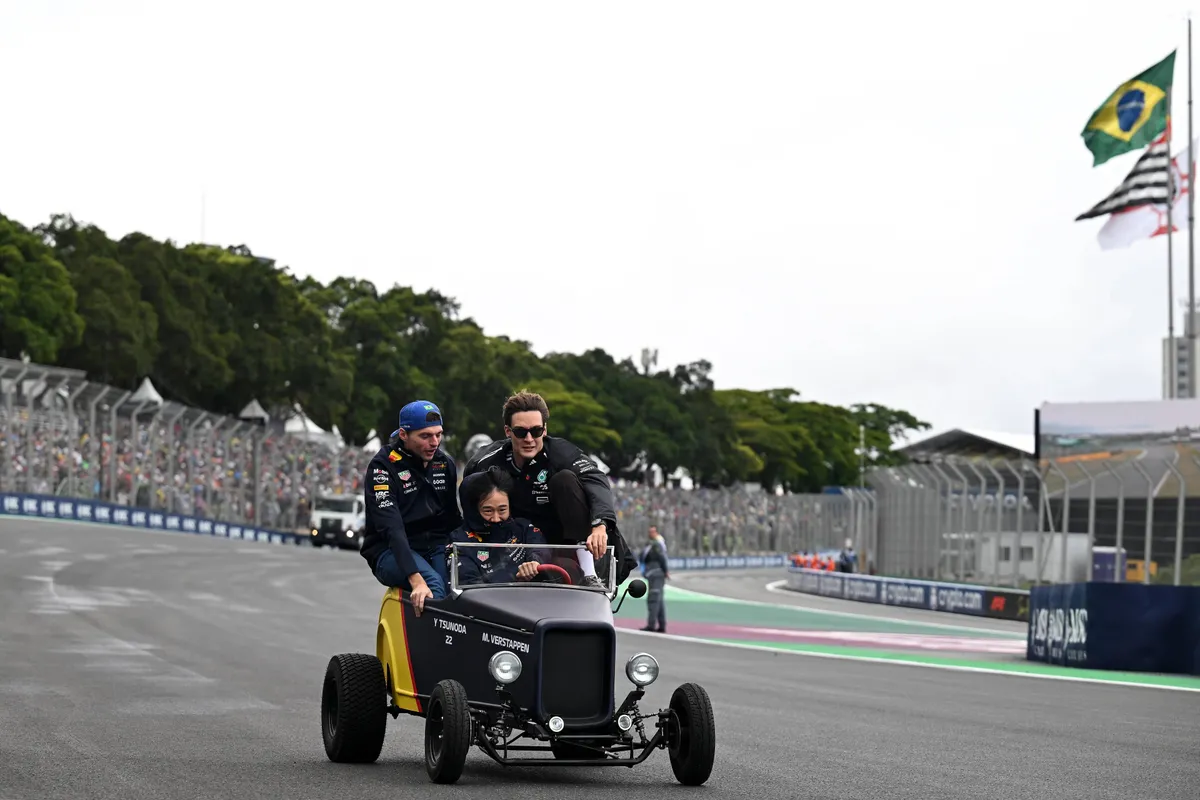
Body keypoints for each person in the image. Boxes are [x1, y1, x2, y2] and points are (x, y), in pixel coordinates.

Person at [463, 390, 638, 590]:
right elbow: (467, 500)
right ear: (507, 431)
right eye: (521, 432)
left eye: (536, 431)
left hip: (564, 542)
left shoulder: (561, 452)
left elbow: (596, 479)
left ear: (545, 430)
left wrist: (600, 525)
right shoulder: (484, 462)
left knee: (565, 479)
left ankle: (590, 574)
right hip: (517, 545)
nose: (529, 438)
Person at [359, 400, 463, 615]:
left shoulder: (444, 463)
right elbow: (391, 528)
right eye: (425, 436)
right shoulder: (382, 467)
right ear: (404, 435)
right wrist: (416, 579)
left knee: (459, 587)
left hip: (435, 545)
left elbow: (453, 519)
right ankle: (429, 648)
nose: (434, 442)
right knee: (432, 585)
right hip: (389, 549)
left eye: (438, 434)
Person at [450, 467, 553, 585]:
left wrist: (535, 562)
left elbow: (540, 547)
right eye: (488, 511)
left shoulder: (522, 528)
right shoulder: (459, 541)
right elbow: (469, 586)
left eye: (502, 510)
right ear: (474, 510)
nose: (496, 518)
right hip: (489, 601)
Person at [640, 526, 669, 633]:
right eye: (649, 531)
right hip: (653, 573)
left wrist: (665, 570)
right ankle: (661, 625)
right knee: (659, 600)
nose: (650, 533)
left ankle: (651, 624)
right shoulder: (651, 544)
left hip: (656, 573)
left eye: (652, 531)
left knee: (653, 598)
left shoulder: (657, 544)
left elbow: (662, 558)